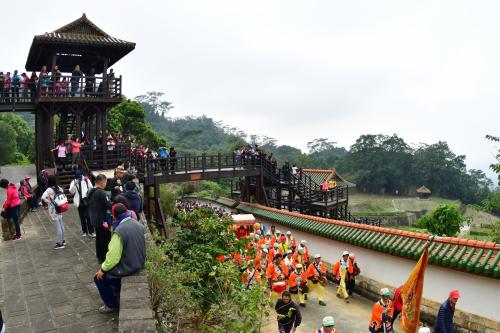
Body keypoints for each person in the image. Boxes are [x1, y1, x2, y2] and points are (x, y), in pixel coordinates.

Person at [94, 203, 146, 313]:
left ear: (114, 216)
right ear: (127, 211)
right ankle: (116, 291)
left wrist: (102, 270)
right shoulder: (138, 225)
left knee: (99, 278)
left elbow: (113, 258)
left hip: (129, 267)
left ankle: (111, 305)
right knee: (112, 274)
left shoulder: (119, 231)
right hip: (139, 263)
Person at [88, 174, 113, 262]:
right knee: (105, 239)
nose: (106, 184)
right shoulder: (101, 192)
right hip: (102, 219)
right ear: (102, 182)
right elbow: (108, 204)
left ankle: (99, 257)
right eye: (105, 182)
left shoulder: (90, 191)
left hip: (94, 218)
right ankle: (105, 257)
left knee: (99, 238)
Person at [41, 175, 66, 250]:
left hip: (53, 209)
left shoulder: (49, 189)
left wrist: (49, 201)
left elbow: (43, 197)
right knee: (61, 224)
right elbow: (62, 192)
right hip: (59, 207)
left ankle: (60, 243)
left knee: (57, 226)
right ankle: (63, 240)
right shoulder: (58, 187)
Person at [69, 170, 95, 237]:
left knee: (88, 216)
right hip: (79, 201)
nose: (79, 178)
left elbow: (91, 188)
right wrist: (75, 184)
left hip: (86, 200)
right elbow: (71, 191)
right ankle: (84, 231)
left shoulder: (86, 179)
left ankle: (91, 231)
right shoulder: (74, 181)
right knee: (82, 217)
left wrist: (87, 193)